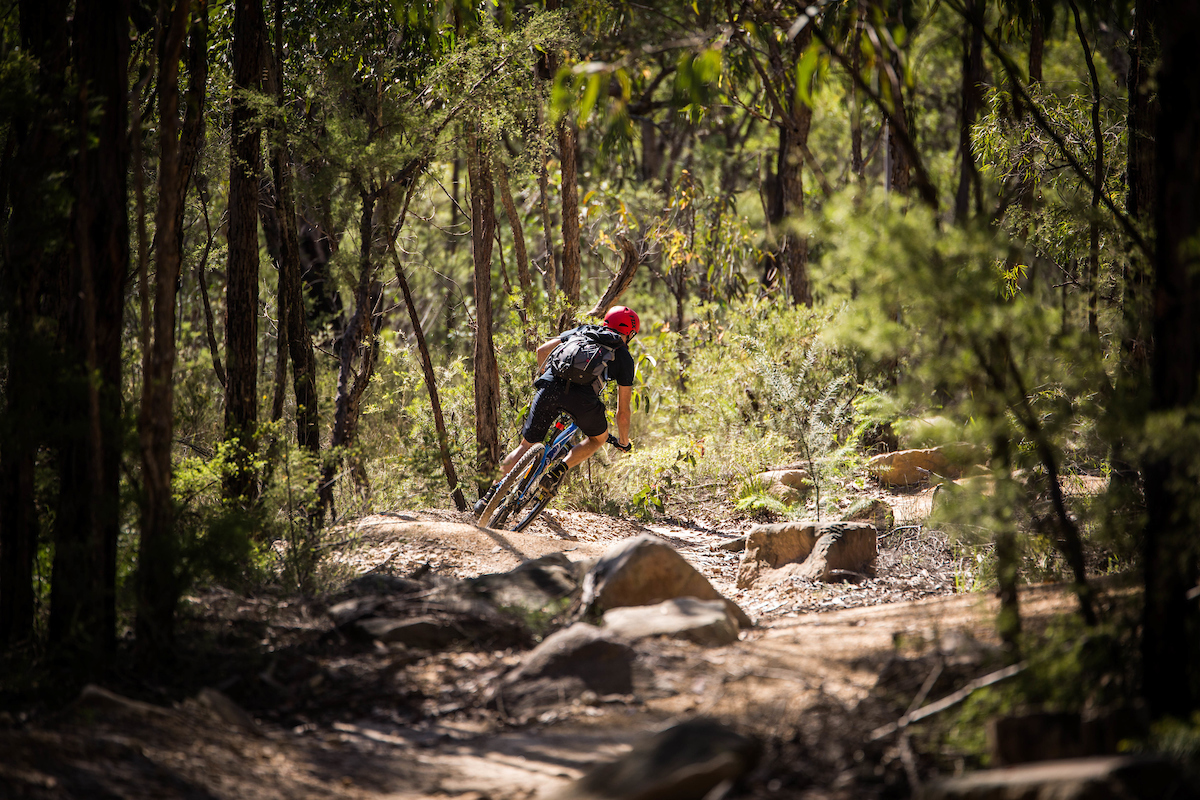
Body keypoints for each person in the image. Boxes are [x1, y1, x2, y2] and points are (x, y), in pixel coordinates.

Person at [475, 306, 640, 515]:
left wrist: (547, 379)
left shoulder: (583, 331)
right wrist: (623, 441)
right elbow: (623, 413)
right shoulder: (623, 355)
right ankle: (557, 472)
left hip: (550, 387)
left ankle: (488, 498)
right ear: (629, 333)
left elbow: (542, 351)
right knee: (598, 439)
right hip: (583, 401)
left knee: (525, 446)